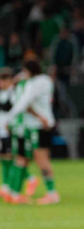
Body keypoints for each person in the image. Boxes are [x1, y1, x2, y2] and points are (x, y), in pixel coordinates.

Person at [0, 60, 59, 205]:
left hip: (38, 126)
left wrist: (8, 119)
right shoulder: (43, 80)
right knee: (22, 157)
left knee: (39, 159)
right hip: (36, 125)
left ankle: (51, 193)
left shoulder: (36, 83)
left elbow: (23, 103)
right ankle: (13, 192)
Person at [0, 68, 13, 200]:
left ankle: (9, 186)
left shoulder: (13, 93)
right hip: (1, 131)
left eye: (3, 80)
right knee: (4, 158)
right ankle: (5, 185)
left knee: (11, 158)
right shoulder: (2, 94)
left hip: (10, 130)